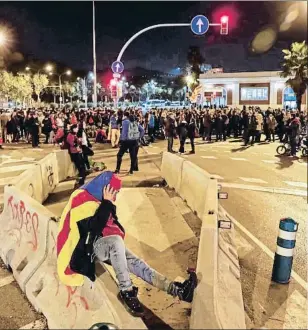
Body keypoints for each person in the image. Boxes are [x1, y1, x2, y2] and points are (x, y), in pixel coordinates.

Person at [57, 171, 198, 317]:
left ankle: (178, 291)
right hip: (81, 251)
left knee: (137, 263)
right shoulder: (81, 199)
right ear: (105, 188)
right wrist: (107, 203)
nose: (115, 196)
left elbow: (111, 226)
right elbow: (93, 228)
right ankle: (127, 291)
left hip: (95, 243)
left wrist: (107, 203)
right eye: (114, 192)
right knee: (115, 242)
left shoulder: (96, 199)